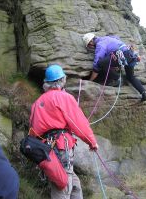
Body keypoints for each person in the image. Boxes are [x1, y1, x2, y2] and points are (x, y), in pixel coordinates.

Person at [29, 64, 98, 199]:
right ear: (62, 80)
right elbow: (79, 124)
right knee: (62, 186)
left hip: (44, 150)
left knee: (72, 182)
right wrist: (92, 142)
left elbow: (32, 131)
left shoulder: (37, 102)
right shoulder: (63, 97)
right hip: (60, 146)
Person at [82, 33, 146, 102]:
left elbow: (97, 62)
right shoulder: (108, 38)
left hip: (121, 55)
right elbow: (117, 38)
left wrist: (90, 80)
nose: (91, 47)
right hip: (130, 54)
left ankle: (117, 78)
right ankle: (143, 92)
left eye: (89, 45)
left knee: (101, 63)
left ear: (91, 41)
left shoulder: (100, 44)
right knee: (130, 76)